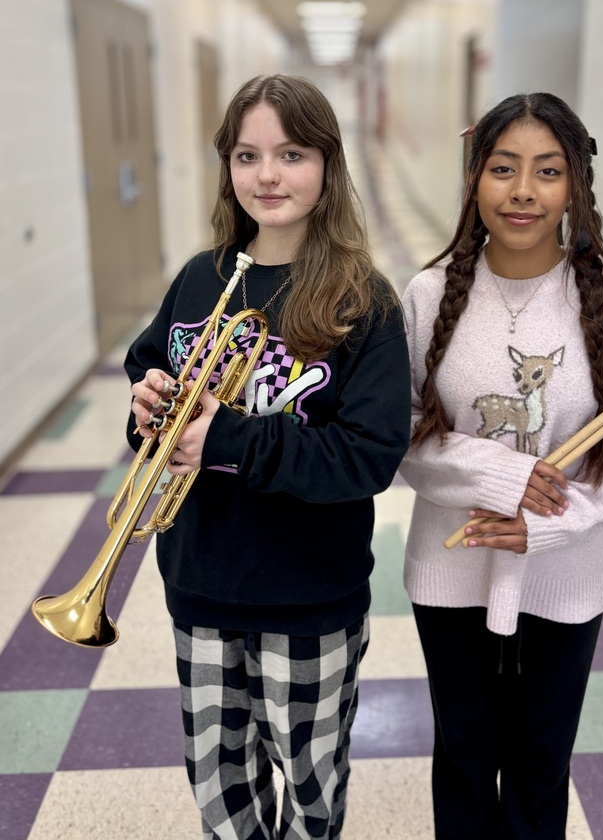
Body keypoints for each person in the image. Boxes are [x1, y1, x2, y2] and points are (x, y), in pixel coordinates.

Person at [125, 73, 411, 840]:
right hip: (201, 581)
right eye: (246, 156)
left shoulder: (363, 301)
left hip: (307, 594)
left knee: (311, 784)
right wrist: (148, 404)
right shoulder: (199, 277)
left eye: (291, 153)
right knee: (219, 784)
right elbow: (148, 363)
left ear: (328, 164)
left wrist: (223, 434)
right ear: (227, 168)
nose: (268, 176)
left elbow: (366, 458)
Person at [398, 92, 603, 840]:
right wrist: (502, 477)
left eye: (546, 172)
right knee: (461, 752)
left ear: (574, 187)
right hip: (449, 571)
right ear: (473, 180)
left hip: (567, 570)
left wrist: (561, 521)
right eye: (502, 169)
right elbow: (396, 431)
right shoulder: (428, 296)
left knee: (540, 757)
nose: (522, 191)